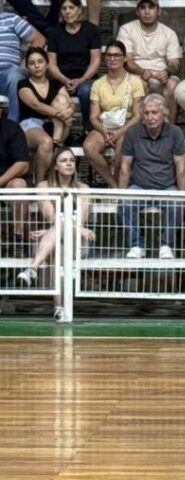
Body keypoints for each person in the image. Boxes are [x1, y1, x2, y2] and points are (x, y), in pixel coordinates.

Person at [16, 147, 94, 323]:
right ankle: (60, 308)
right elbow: (52, 217)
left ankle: (32, 269)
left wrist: (61, 227)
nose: (69, 164)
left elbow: (80, 222)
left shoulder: (84, 188)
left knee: (58, 235)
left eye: (72, 160)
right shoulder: (43, 187)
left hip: (78, 242)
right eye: (63, 160)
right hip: (49, 243)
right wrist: (64, 226)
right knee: (57, 248)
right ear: (55, 166)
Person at [118, 94, 185, 260]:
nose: (150, 117)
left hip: (167, 187)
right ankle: (136, 245)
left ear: (163, 114)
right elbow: (125, 166)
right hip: (140, 187)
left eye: (155, 112)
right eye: (146, 113)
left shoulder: (175, 132)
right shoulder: (133, 133)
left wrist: (184, 196)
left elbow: (181, 168)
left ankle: (166, 245)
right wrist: (121, 194)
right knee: (126, 203)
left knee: (176, 203)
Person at [83, 41, 145, 188]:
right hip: (105, 125)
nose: (112, 58)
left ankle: (119, 186)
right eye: (109, 55)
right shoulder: (98, 84)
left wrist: (118, 133)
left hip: (127, 126)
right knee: (89, 147)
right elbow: (93, 116)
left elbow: (138, 116)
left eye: (117, 55)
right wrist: (105, 132)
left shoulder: (135, 82)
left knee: (122, 152)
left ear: (125, 58)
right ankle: (114, 185)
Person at [118, 0, 183, 122]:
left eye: (151, 7)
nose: (147, 12)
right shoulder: (126, 30)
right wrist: (142, 72)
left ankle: (170, 127)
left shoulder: (169, 33)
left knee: (172, 85)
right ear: (137, 12)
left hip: (162, 75)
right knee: (139, 84)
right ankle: (139, 127)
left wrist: (167, 72)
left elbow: (175, 62)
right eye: (143, 8)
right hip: (136, 74)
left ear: (159, 11)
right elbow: (127, 61)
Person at [17, 46, 74, 182]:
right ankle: (40, 184)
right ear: (27, 67)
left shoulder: (56, 84)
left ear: (47, 64)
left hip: (54, 126)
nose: (37, 66)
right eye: (32, 63)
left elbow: (71, 104)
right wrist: (62, 115)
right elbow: (36, 105)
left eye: (40, 61)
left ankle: (56, 143)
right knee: (46, 142)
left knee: (62, 100)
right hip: (31, 124)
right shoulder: (23, 84)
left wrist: (69, 111)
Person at [46, 0, 101, 134]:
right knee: (58, 97)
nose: (67, 11)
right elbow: (51, 64)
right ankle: (62, 135)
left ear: (79, 9)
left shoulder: (91, 30)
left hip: (86, 78)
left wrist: (81, 80)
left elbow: (96, 60)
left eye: (71, 7)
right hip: (61, 79)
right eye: (64, 8)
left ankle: (88, 131)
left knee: (86, 91)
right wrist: (64, 80)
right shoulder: (54, 32)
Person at [0, 11, 46, 122]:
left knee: (15, 76)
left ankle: (13, 126)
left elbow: (39, 40)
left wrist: (24, 65)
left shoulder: (11, 19)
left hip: (9, 73)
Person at [0, 104, 30, 254]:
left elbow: (23, 164)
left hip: (7, 181)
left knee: (20, 185)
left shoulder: (12, 128)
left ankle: (18, 237)